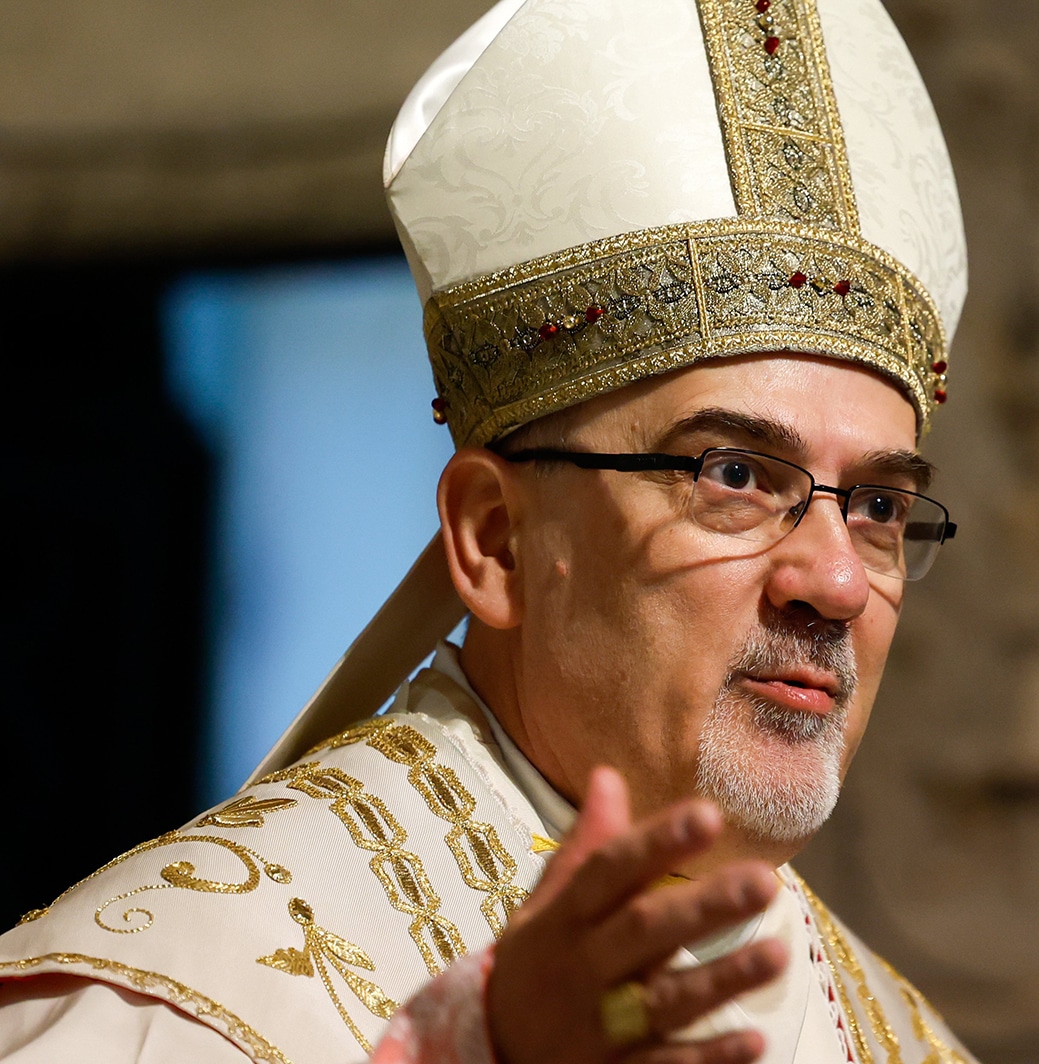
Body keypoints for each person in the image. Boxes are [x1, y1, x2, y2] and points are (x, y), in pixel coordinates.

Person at [0, 0, 972, 1060]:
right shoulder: (178, 997)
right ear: (495, 540)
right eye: (733, 475)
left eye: (876, 504)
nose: (833, 577)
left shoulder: (906, 1040)